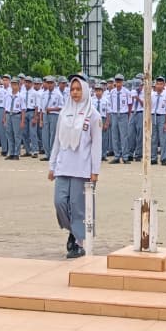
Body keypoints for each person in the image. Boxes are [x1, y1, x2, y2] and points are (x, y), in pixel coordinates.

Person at [49, 75, 102, 259]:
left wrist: (95, 171)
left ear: (85, 91)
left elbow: (96, 145)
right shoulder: (64, 113)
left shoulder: (93, 115)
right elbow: (57, 141)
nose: (75, 93)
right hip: (63, 166)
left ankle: (78, 243)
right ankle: (73, 230)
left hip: (82, 168)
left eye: (78, 89)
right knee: (59, 202)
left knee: (77, 206)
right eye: (72, 89)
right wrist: (52, 165)